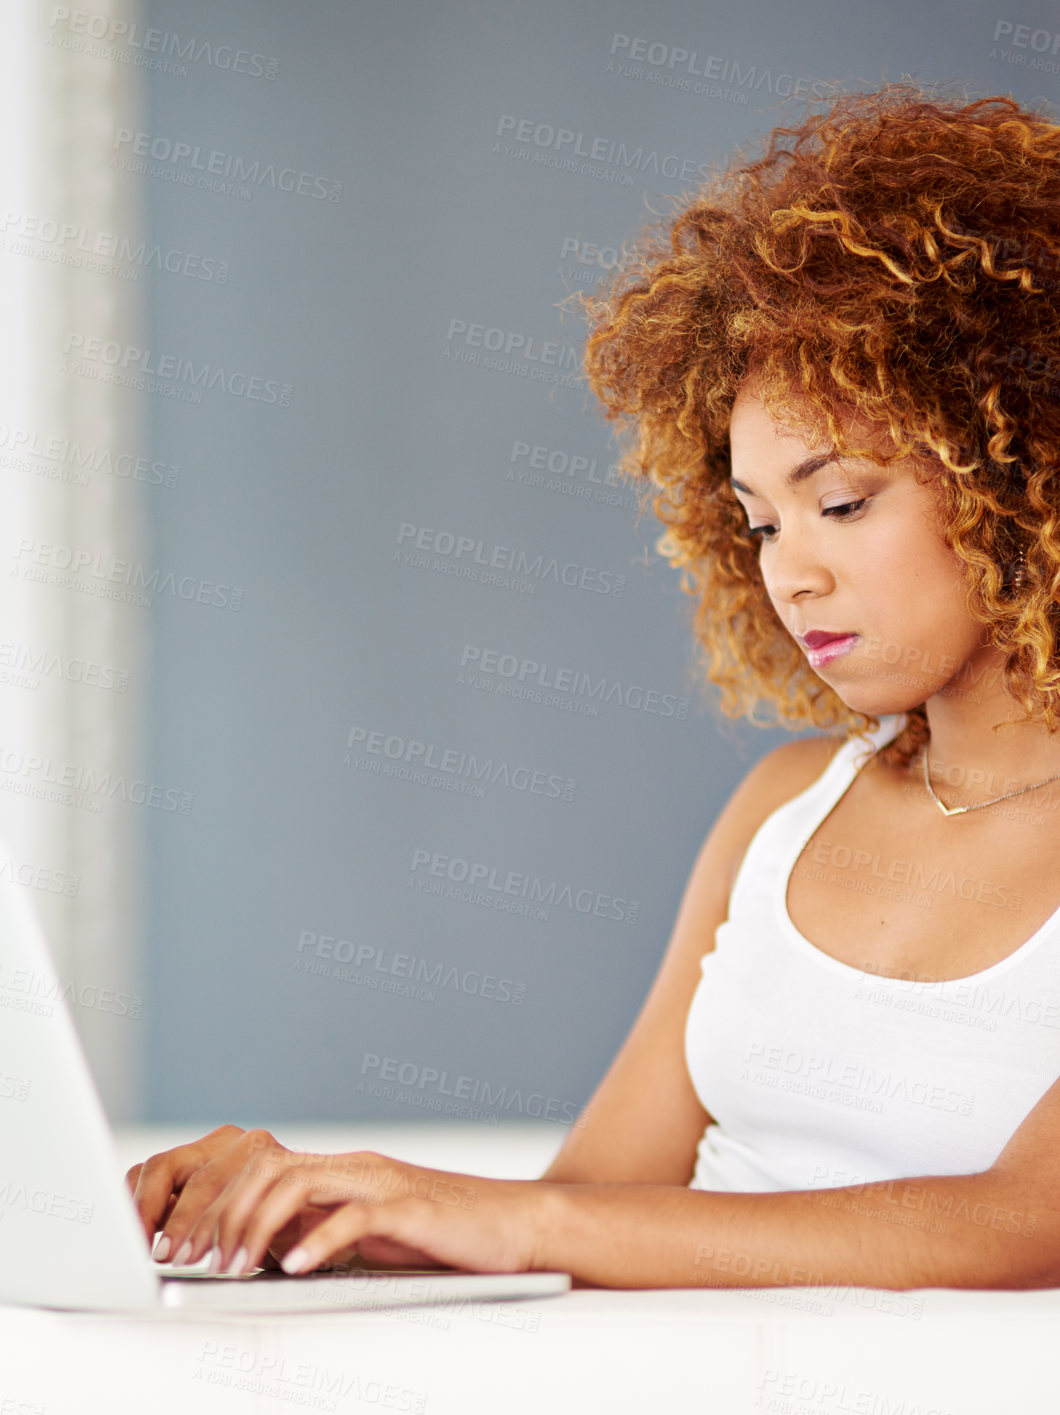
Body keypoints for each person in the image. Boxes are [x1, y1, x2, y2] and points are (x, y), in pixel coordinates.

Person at [126, 80, 1060, 1290]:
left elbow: (1020, 1224)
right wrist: (318, 1203)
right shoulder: (782, 812)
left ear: (1017, 470)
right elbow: (591, 1208)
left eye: (839, 502)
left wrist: (518, 1223)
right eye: (758, 522)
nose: (793, 573)